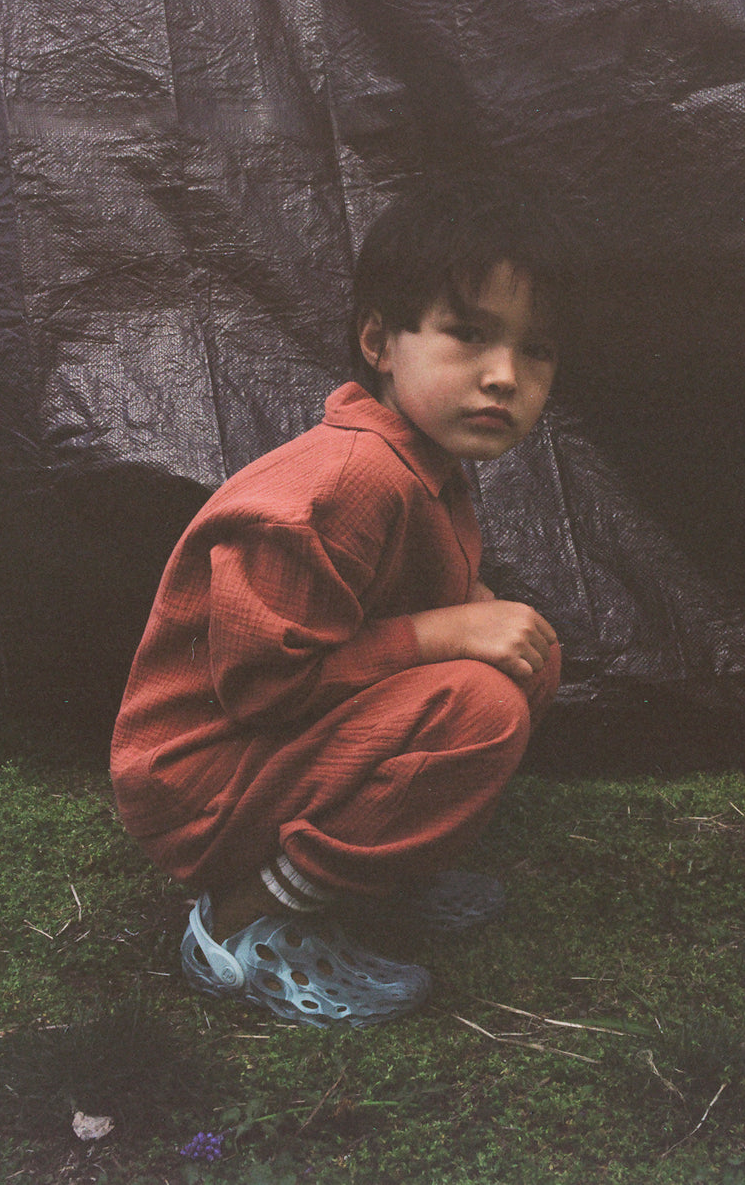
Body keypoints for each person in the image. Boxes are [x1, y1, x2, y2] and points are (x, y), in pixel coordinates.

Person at [110, 176, 572, 1027]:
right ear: (378, 341)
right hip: (199, 777)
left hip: (276, 745)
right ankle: (245, 920)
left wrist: (460, 620)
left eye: (535, 349)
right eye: (468, 336)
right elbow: (261, 688)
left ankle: (378, 872)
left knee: (522, 656)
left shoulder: (421, 464)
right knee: (479, 700)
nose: (505, 375)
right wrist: (442, 630)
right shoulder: (349, 480)